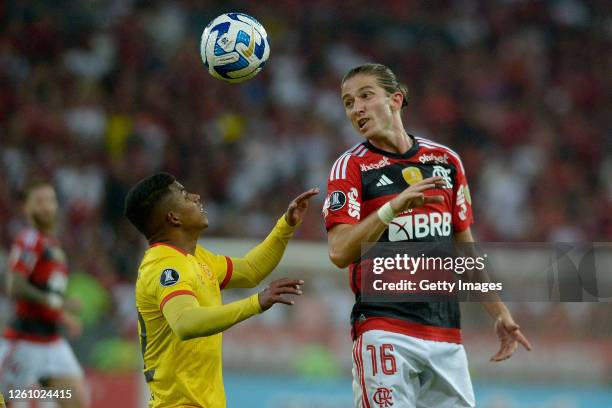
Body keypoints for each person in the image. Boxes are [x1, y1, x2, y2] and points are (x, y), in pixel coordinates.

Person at [323, 63, 532, 408]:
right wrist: (392, 209)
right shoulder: (351, 167)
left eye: (365, 95)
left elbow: (466, 250)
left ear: (395, 99)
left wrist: (500, 314)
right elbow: (339, 251)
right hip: (385, 329)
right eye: (348, 102)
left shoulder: (446, 161)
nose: (356, 108)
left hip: (445, 334)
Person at [124, 172, 318, 408]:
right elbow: (186, 322)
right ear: (174, 217)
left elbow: (250, 270)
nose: (196, 197)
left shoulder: (196, 259)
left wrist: (285, 225)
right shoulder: (164, 266)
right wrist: (255, 303)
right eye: (185, 196)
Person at [0, 181, 87, 408]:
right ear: (27, 208)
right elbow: (15, 285)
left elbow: (46, 293)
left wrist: (62, 316)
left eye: (50, 200)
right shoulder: (30, 239)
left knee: (76, 400)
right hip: (24, 343)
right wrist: (59, 303)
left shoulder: (53, 244)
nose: (46, 207)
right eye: (39, 202)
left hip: (52, 342)